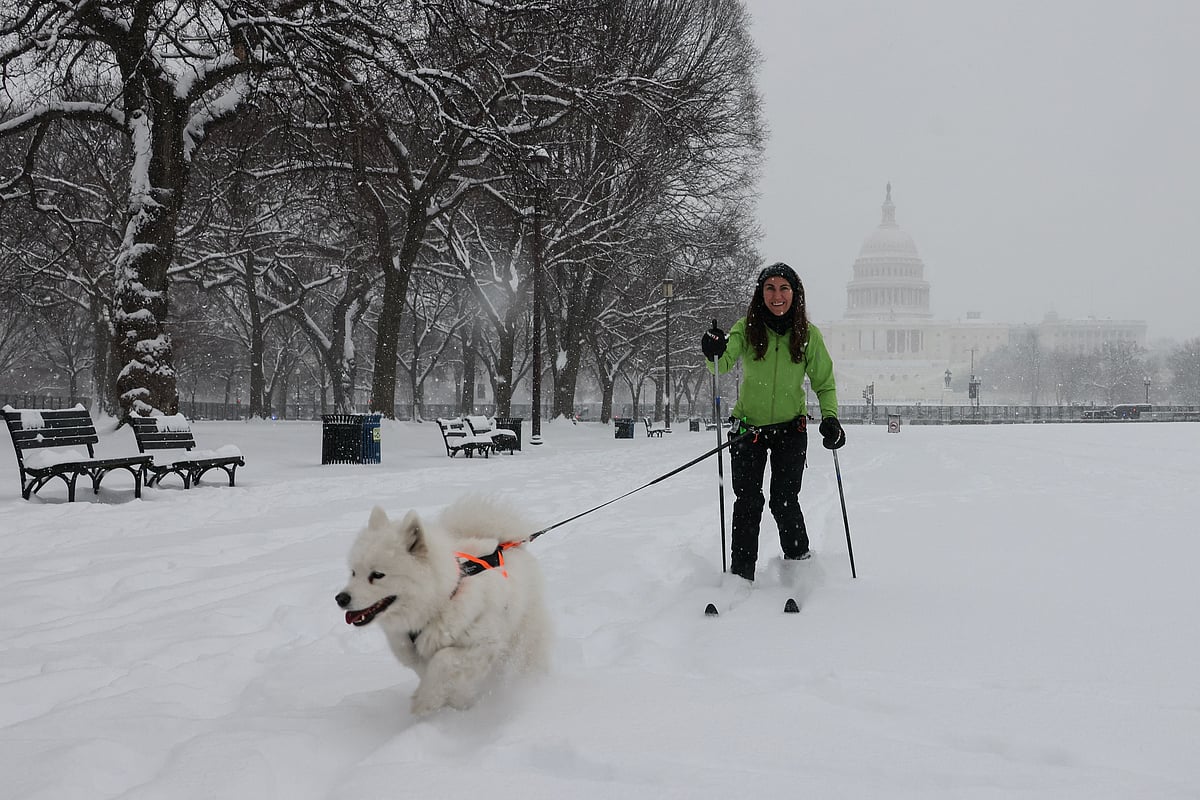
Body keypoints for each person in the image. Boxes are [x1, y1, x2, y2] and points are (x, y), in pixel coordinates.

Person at [701, 262, 845, 582]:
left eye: (784, 289)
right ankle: (741, 575)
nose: (777, 296)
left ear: (795, 294)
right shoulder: (746, 328)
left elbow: (824, 383)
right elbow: (721, 364)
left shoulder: (808, 335)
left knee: (784, 500)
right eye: (770, 288)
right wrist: (713, 348)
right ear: (760, 293)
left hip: (789, 430)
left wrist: (831, 419)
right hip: (747, 429)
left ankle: (799, 565)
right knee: (748, 502)